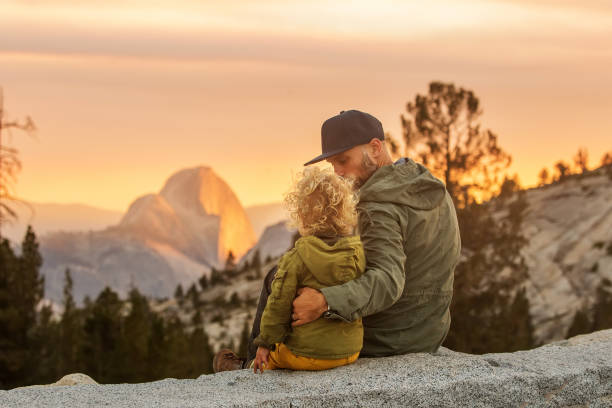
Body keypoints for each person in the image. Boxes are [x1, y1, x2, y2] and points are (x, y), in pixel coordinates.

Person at [213, 109, 461, 372]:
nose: (339, 173)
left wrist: (325, 301)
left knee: (281, 275)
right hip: (429, 332)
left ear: (375, 148)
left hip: (387, 339)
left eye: (343, 160)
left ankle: (253, 366)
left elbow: (388, 281)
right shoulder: (428, 186)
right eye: (332, 164)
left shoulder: (378, 206)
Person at [249, 166, 366, 373]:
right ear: (345, 211)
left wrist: (265, 343)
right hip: (349, 352)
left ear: (301, 215)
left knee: (272, 359)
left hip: (305, 355)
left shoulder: (296, 258)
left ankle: (247, 368)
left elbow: (278, 305)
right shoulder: (357, 253)